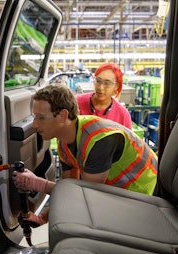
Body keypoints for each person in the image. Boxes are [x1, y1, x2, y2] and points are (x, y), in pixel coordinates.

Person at [12, 84, 157, 226]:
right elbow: (69, 189)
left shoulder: (99, 140)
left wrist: (37, 183)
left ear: (63, 116)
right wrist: (44, 217)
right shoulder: (64, 142)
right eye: (34, 117)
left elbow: (85, 196)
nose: (35, 125)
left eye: (41, 118)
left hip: (143, 196)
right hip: (118, 193)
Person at [76, 62, 132, 129]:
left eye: (107, 83)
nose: (101, 87)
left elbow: (128, 139)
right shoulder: (76, 103)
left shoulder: (122, 115)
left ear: (116, 86)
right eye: (98, 81)